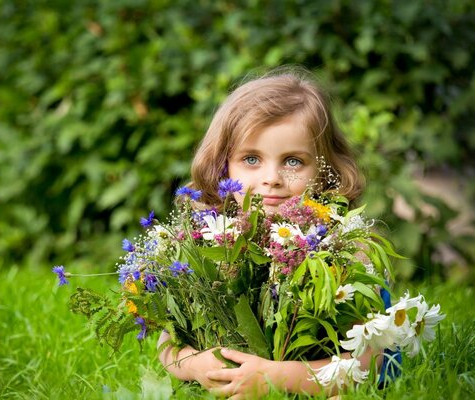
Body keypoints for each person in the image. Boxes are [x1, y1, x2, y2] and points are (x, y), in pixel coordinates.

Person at [157, 68, 400, 398]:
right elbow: (168, 343)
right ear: (223, 165)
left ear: (325, 170)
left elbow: (371, 363)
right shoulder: (206, 242)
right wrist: (196, 365)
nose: (272, 177)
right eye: (252, 158)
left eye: (293, 161)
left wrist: (275, 378)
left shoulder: (345, 252)